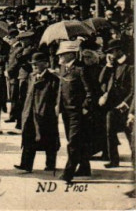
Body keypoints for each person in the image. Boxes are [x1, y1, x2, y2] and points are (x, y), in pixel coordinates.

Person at [15, 52, 59, 173]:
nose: (34, 66)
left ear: (45, 64)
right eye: (33, 64)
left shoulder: (53, 79)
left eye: (36, 64)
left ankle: (50, 164)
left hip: (45, 113)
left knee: (49, 138)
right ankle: (26, 164)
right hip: (29, 112)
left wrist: (54, 109)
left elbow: (56, 97)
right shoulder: (31, 76)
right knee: (28, 137)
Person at [57, 39, 93, 183]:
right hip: (67, 111)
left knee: (73, 142)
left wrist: (85, 108)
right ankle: (85, 167)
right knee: (77, 140)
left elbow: (89, 92)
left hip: (77, 112)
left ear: (71, 54)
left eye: (63, 54)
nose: (60, 57)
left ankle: (68, 173)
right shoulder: (64, 69)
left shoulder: (80, 69)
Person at [98, 40, 134, 168]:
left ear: (119, 51)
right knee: (110, 132)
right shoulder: (112, 65)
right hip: (112, 106)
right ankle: (114, 160)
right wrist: (108, 65)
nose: (111, 55)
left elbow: (133, 90)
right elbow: (101, 80)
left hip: (127, 106)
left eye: (112, 52)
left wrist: (126, 104)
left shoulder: (130, 65)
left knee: (130, 134)